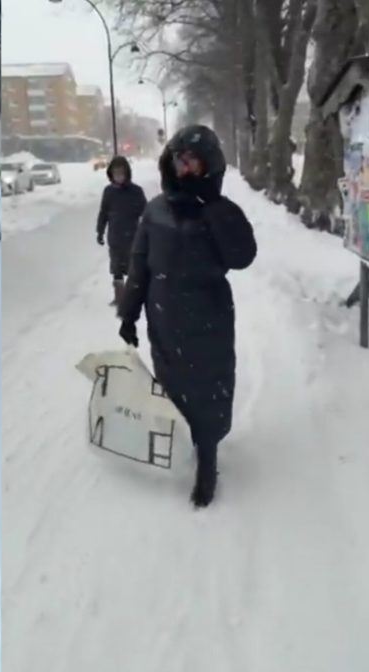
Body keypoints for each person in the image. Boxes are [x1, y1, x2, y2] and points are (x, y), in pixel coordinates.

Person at [117, 125, 257, 508]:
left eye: (193, 161)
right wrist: (129, 314)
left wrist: (214, 208)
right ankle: (182, 443)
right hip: (163, 315)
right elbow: (139, 263)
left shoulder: (220, 210)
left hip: (208, 314)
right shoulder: (155, 210)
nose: (185, 168)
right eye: (179, 160)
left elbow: (242, 256)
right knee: (173, 386)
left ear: (209, 166)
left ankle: (207, 458)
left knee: (208, 387)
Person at [96, 156, 148, 312]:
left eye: (121, 172)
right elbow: (103, 213)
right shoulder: (109, 192)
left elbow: (146, 213)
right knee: (117, 268)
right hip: (115, 237)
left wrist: (147, 232)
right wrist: (100, 231)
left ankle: (133, 297)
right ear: (111, 174)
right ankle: (119, 297)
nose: (118, 175)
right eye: (115, 172)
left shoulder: (136, 191)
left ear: (127, 173)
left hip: (133, 236)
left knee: (133, 268)